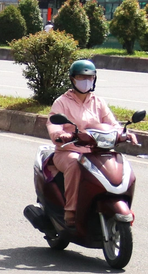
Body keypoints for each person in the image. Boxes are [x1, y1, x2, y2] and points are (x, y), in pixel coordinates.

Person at [46, 60, 136, 233]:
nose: (85, 80)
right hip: (69, 151)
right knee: (75, 164)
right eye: (81, 77)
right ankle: (71, 211)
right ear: (72, 79)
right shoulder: (62, 102)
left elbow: (112, 123)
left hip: (95, 151)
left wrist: (125, 133)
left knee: (120, 165)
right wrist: (60, 135)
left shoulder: (98, 102)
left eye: (89, 77)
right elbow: (53, 124)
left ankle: (118, 202)